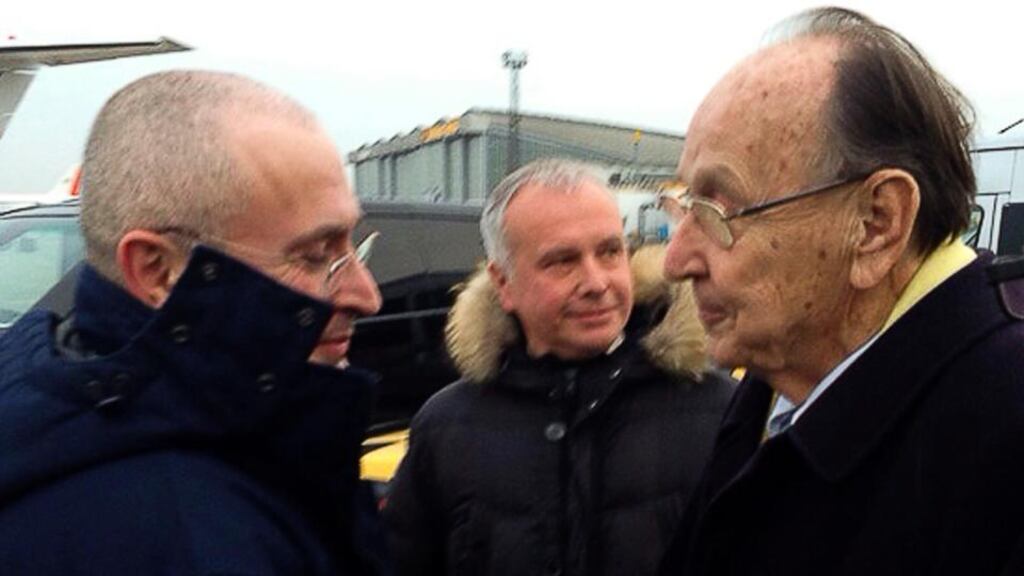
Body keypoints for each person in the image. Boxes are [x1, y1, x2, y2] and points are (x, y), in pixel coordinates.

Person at [657, 7, 1024, 576]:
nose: (675, 261)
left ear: (876, 223)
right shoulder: (776, 379)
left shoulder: (1001, 440)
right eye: (683, 205)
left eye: (717, 210)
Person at [0, 71, 387, 575]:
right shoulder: (176, 539)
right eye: (316, 256)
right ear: (158, 271)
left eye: (350, 248)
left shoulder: (50, 408)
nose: (368, 295)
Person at [385, 159, 735, 576]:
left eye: (609, 252)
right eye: (562, 261)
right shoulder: (445, 428)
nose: (596, 282)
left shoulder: (720, 411)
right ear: (503, 283)